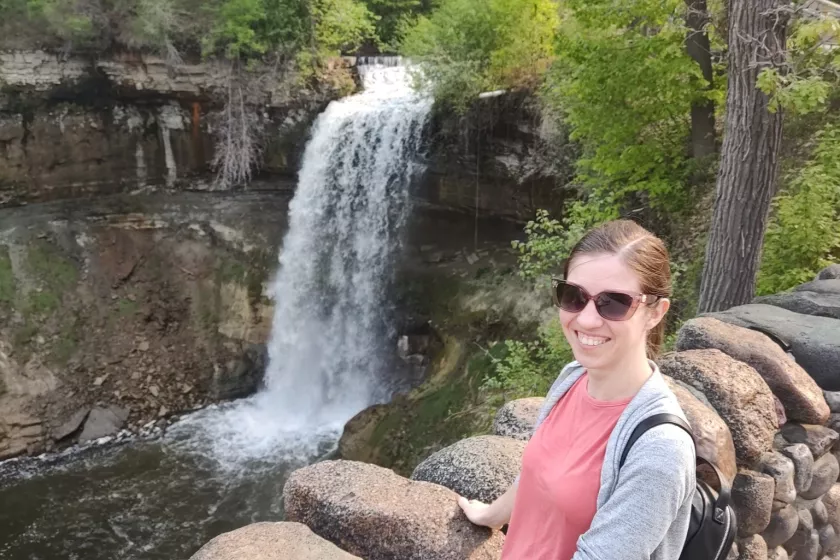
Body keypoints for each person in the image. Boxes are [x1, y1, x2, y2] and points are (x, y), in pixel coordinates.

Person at [458, 219, 696, 560]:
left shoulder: (661, 451)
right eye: (574, 296)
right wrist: (492, 514)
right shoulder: (573, 378)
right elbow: (537, 474)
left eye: (613, 303)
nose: (585, 320)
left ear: (655, 312)